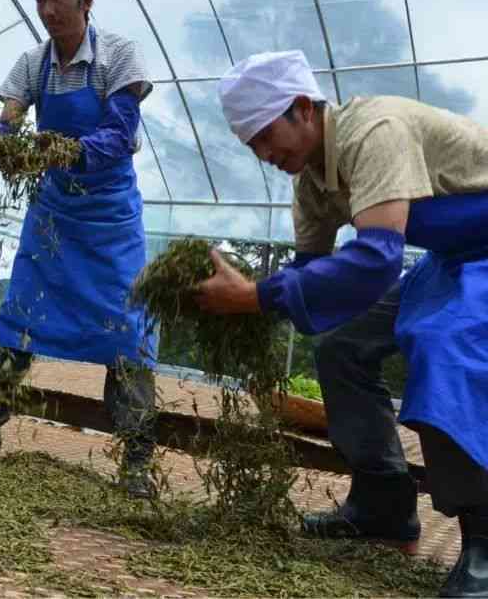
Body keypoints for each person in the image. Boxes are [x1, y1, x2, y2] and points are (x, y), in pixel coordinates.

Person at [195, 49, 488, 597]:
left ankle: (483, 539)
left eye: (264, 137)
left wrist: (256, 296)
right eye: (251, 146)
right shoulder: (310, 180)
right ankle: (384, 504)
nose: (263, 154)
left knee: (445, 342)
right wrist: (248, 304)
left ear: (303, 109)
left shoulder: (373, 130)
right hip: (451, 258)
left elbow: (377, 258)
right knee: (341, 347)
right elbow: (312, 272)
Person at [0, 0, 158, 497]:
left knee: (127, 329)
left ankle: (136, 458)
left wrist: (57, 149)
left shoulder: (120, 56)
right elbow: (8, 121)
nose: (48, 9)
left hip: (109, 217)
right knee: (21, 312)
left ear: (86, 3)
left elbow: (119, 134)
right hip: (55, 213)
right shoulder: (33, 64)